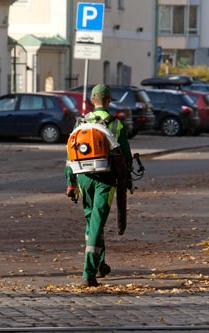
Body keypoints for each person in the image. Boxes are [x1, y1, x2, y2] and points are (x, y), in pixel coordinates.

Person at [65, 84, 133, 287]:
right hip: (105, 179)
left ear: (91, 101)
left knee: (91, 222)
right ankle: (89, 272)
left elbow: (69, 155)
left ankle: (100, 264)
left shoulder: (81, 123)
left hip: (83, 177)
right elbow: (126, 155)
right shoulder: (116, 124)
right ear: (109, 100)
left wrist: (70, 183)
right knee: (97, 221)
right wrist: (126, 177)